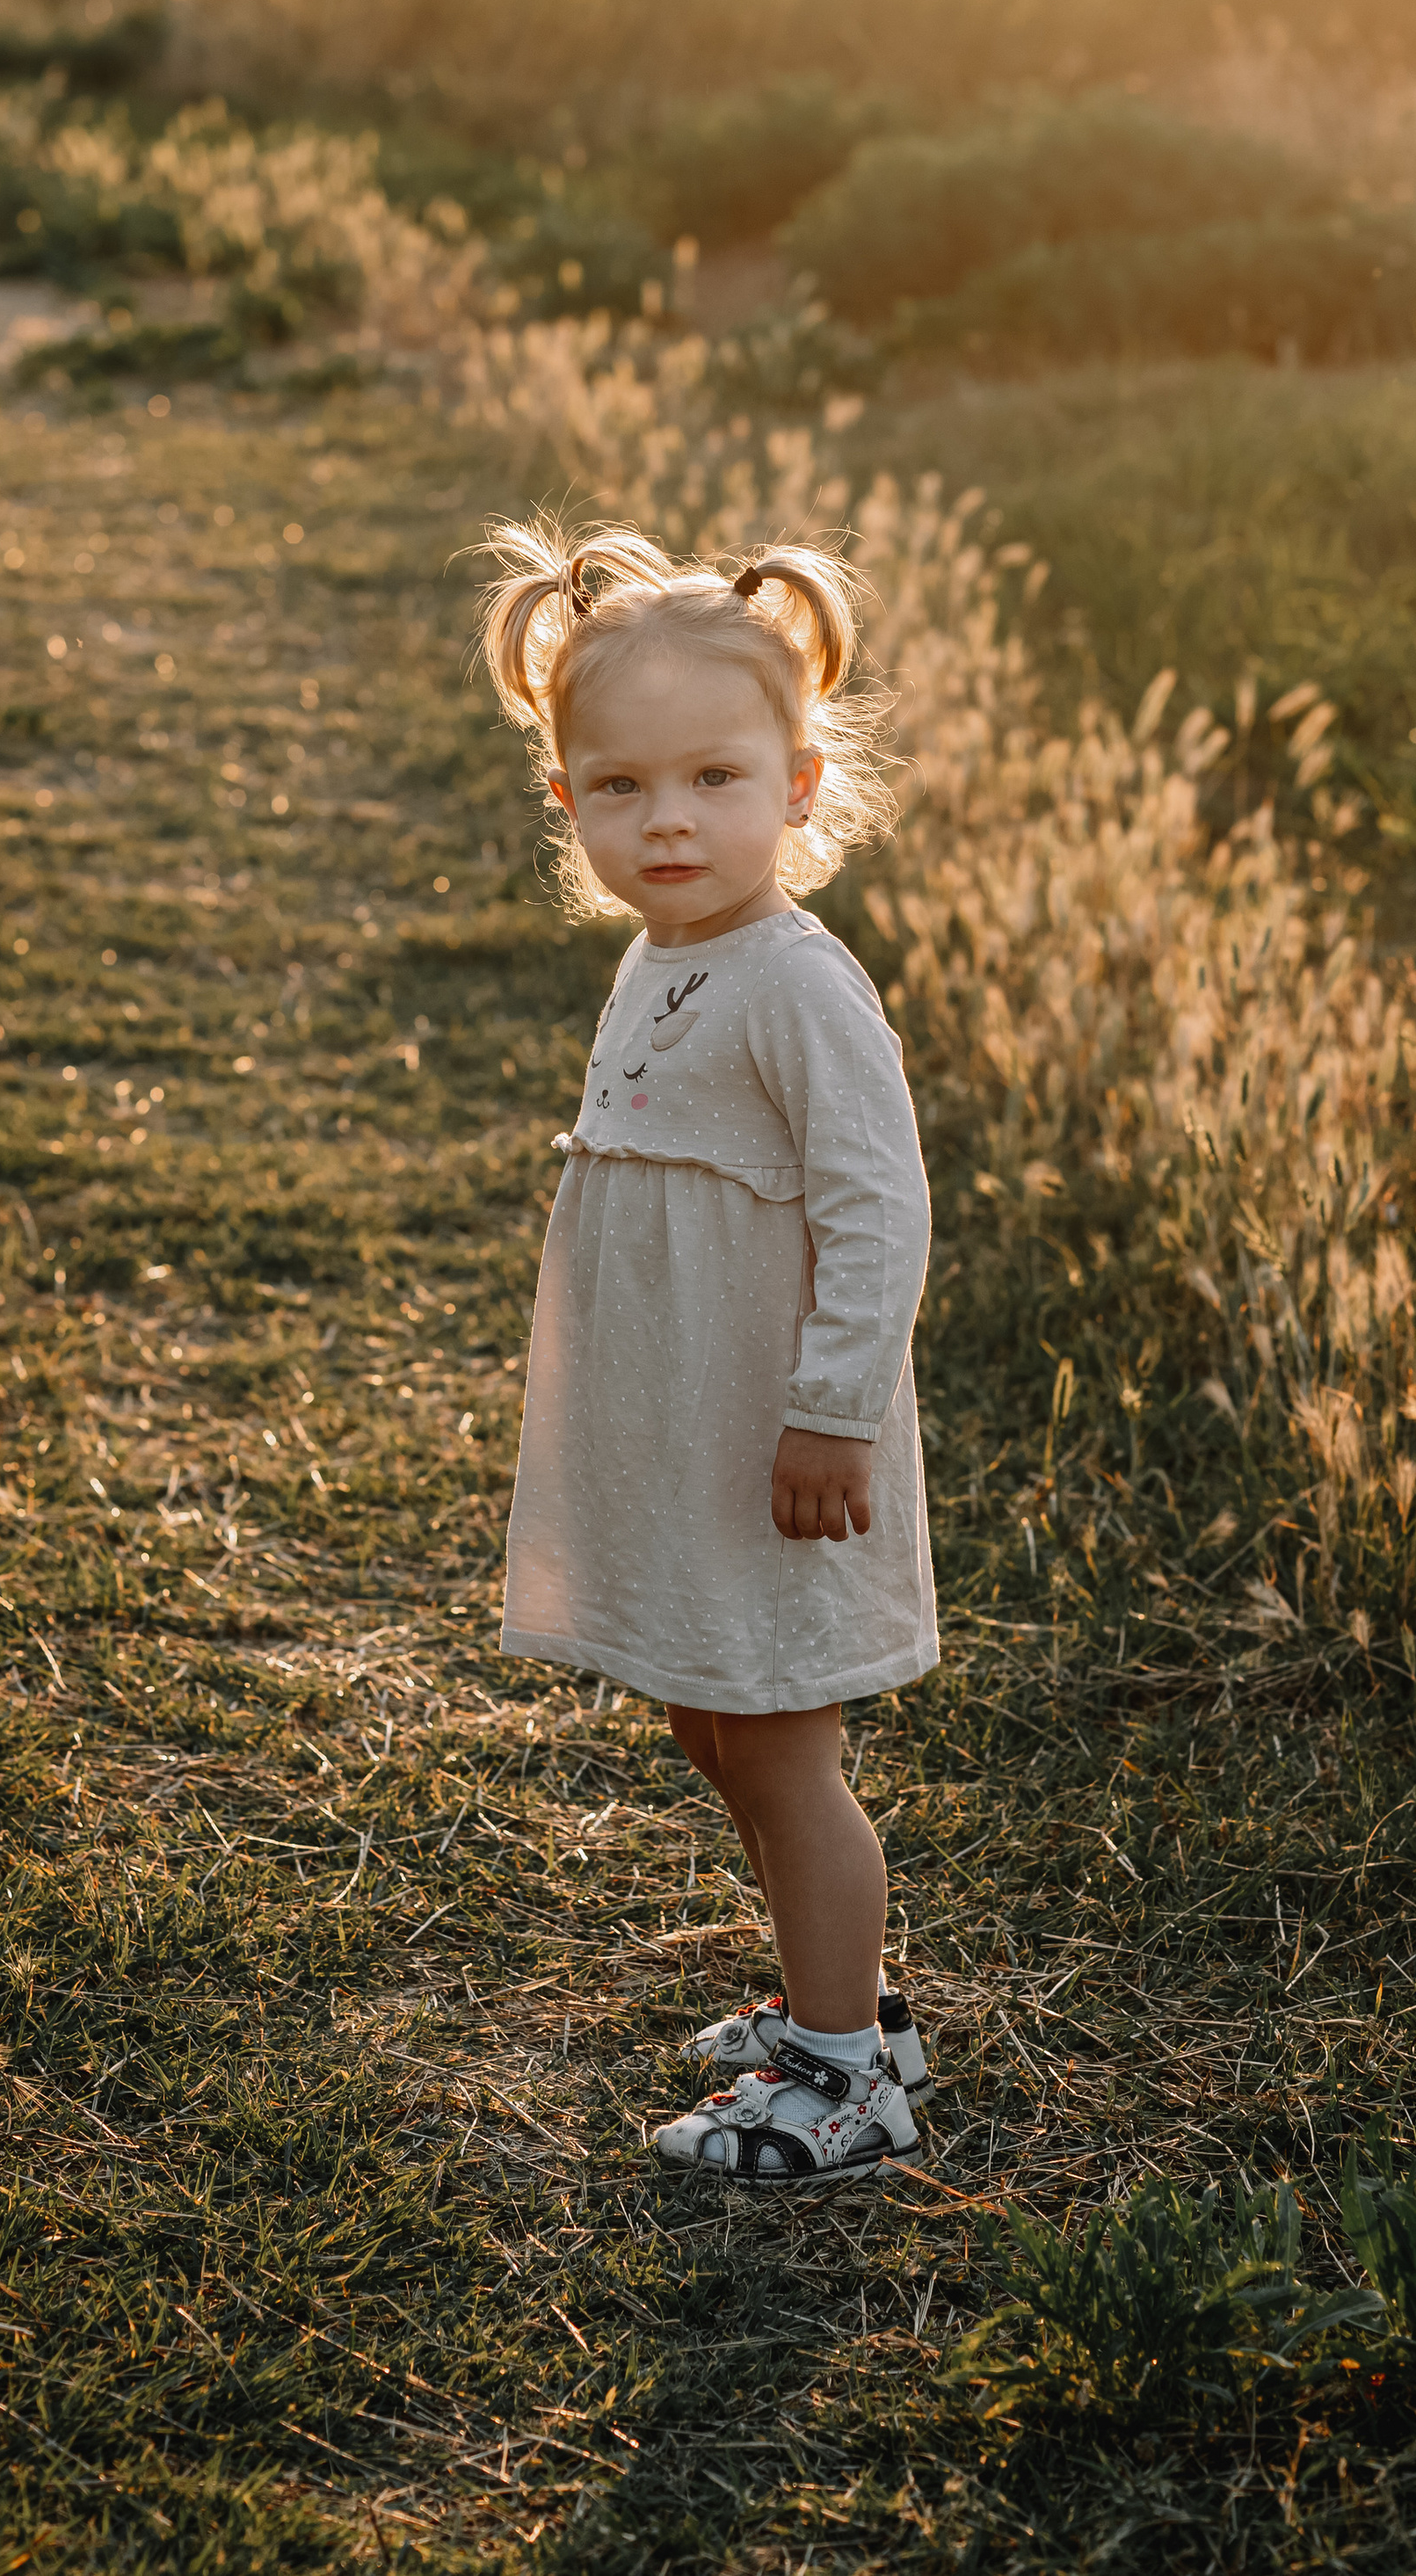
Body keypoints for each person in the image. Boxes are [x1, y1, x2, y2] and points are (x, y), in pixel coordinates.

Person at [476, 518, 939, 2186]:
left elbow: (878, 1212)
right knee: (706, 1712)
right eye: (621, 786)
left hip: (779, 1440)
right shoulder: (666, 953)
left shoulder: (798, 985)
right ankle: (832, 1993)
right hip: (683, 1427)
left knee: (785, 1739)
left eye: (715, 778)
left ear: (802, 782)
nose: (668, 819)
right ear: (567, 800)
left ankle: (850, 2068)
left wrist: (830, 1415)